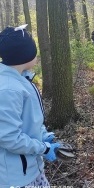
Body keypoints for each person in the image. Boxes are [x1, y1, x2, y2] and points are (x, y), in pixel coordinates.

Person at [0, 24, 60, 187]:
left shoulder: (20, 79)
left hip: (31, 169)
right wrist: (44, 148)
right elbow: (9, 138)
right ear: (25, 55)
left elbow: (28, 121)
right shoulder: (8, 90)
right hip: (16, 178)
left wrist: (43, 135)